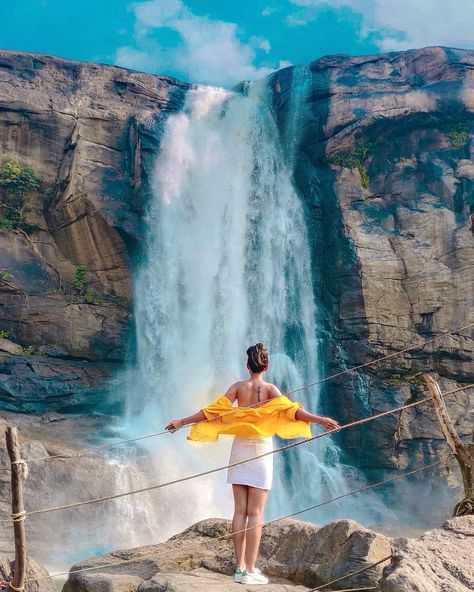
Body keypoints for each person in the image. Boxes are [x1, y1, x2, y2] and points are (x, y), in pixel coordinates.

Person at [165, 343, 340, 585]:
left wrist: (181, 421)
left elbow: (212, 412)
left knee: (239, 511)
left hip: (239, 449)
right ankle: (250, 569)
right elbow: (294, 413)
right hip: (261, 450)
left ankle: (239, 570)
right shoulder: (270, 389)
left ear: (247, 366)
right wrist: (320, 420)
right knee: (256, 513)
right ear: (266, 366)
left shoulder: (237, 388)